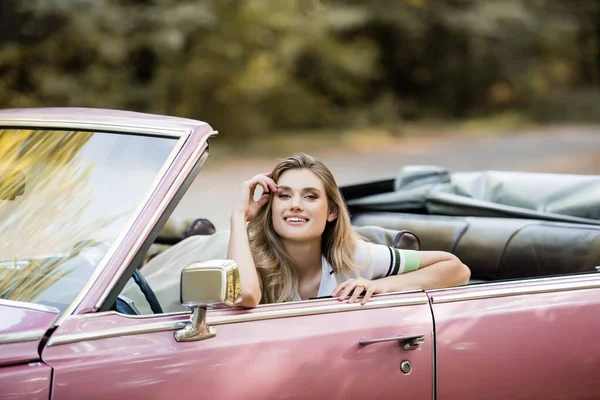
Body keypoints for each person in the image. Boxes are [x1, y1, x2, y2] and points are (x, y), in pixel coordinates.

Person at [228, 153, 470, 308]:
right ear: (270, 207)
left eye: (310, 196)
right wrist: (239, 216)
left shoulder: (356, 258)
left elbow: (456, 269)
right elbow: (245, 296)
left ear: (331, 212)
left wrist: (381, 286)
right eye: (284, 195)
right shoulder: (248, 260)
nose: (296, 205)